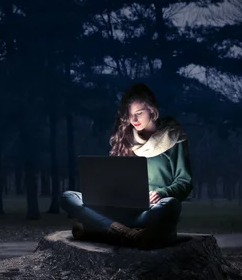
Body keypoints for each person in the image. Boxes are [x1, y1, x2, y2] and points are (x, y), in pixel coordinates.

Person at [60, 83, 193, 249]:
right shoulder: (125, 138)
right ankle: (128, 233)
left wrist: (161, 193)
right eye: (130, 115)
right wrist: (107, 193)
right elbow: (116, 179)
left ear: (152, 110)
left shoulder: (173, 136)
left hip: (150, 209)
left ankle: (101, 228)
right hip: (122, 208)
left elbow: (185, 182)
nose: (134, 120)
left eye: (139, 113)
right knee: (68, 197)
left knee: (171, 205)